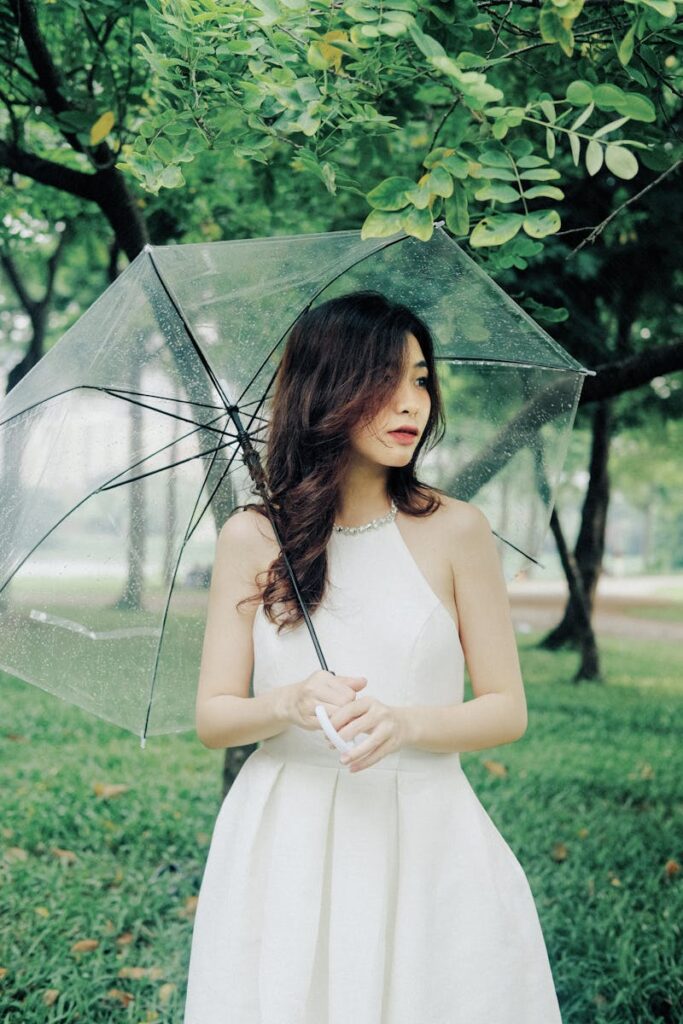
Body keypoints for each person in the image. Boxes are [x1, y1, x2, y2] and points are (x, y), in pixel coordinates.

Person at [183, 291, 563, 1024]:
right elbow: (213, 719)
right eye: (384, 379)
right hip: (284, 831)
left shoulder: (456, 530)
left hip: (423, 827)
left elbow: (505, 709)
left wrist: (407, 724)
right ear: (328, 388)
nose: (410, 402)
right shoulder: (253, 538)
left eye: (420, 378)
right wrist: (285, 703)